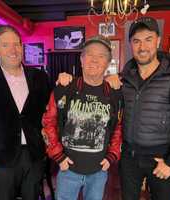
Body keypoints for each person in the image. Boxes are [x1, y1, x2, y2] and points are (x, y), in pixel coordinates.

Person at [57, 17, 170, 200]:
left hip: (160, 158)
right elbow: (115, 118)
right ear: (131, 45)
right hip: (129, 158)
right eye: (136, 41)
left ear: (158, 40)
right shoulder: (122, 80)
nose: (142, 47)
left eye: (148, 39)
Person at [42, 35, 123, 200]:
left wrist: (112, 155)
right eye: (90, 55)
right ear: (81, 59)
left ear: (108, 63)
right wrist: (58, 156)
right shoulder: (64, 88)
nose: (94, 60)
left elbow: (119, 127)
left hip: (99, 172)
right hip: (68, 171)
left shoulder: (115, 93)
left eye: (101, 56)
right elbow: (47, 123)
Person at [0, 25, 50, 200]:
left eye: (17, 44)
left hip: (34, 155)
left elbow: (50, 112)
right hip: (0, 157)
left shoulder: (39, 77)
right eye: (6, 45)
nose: (13, 50)